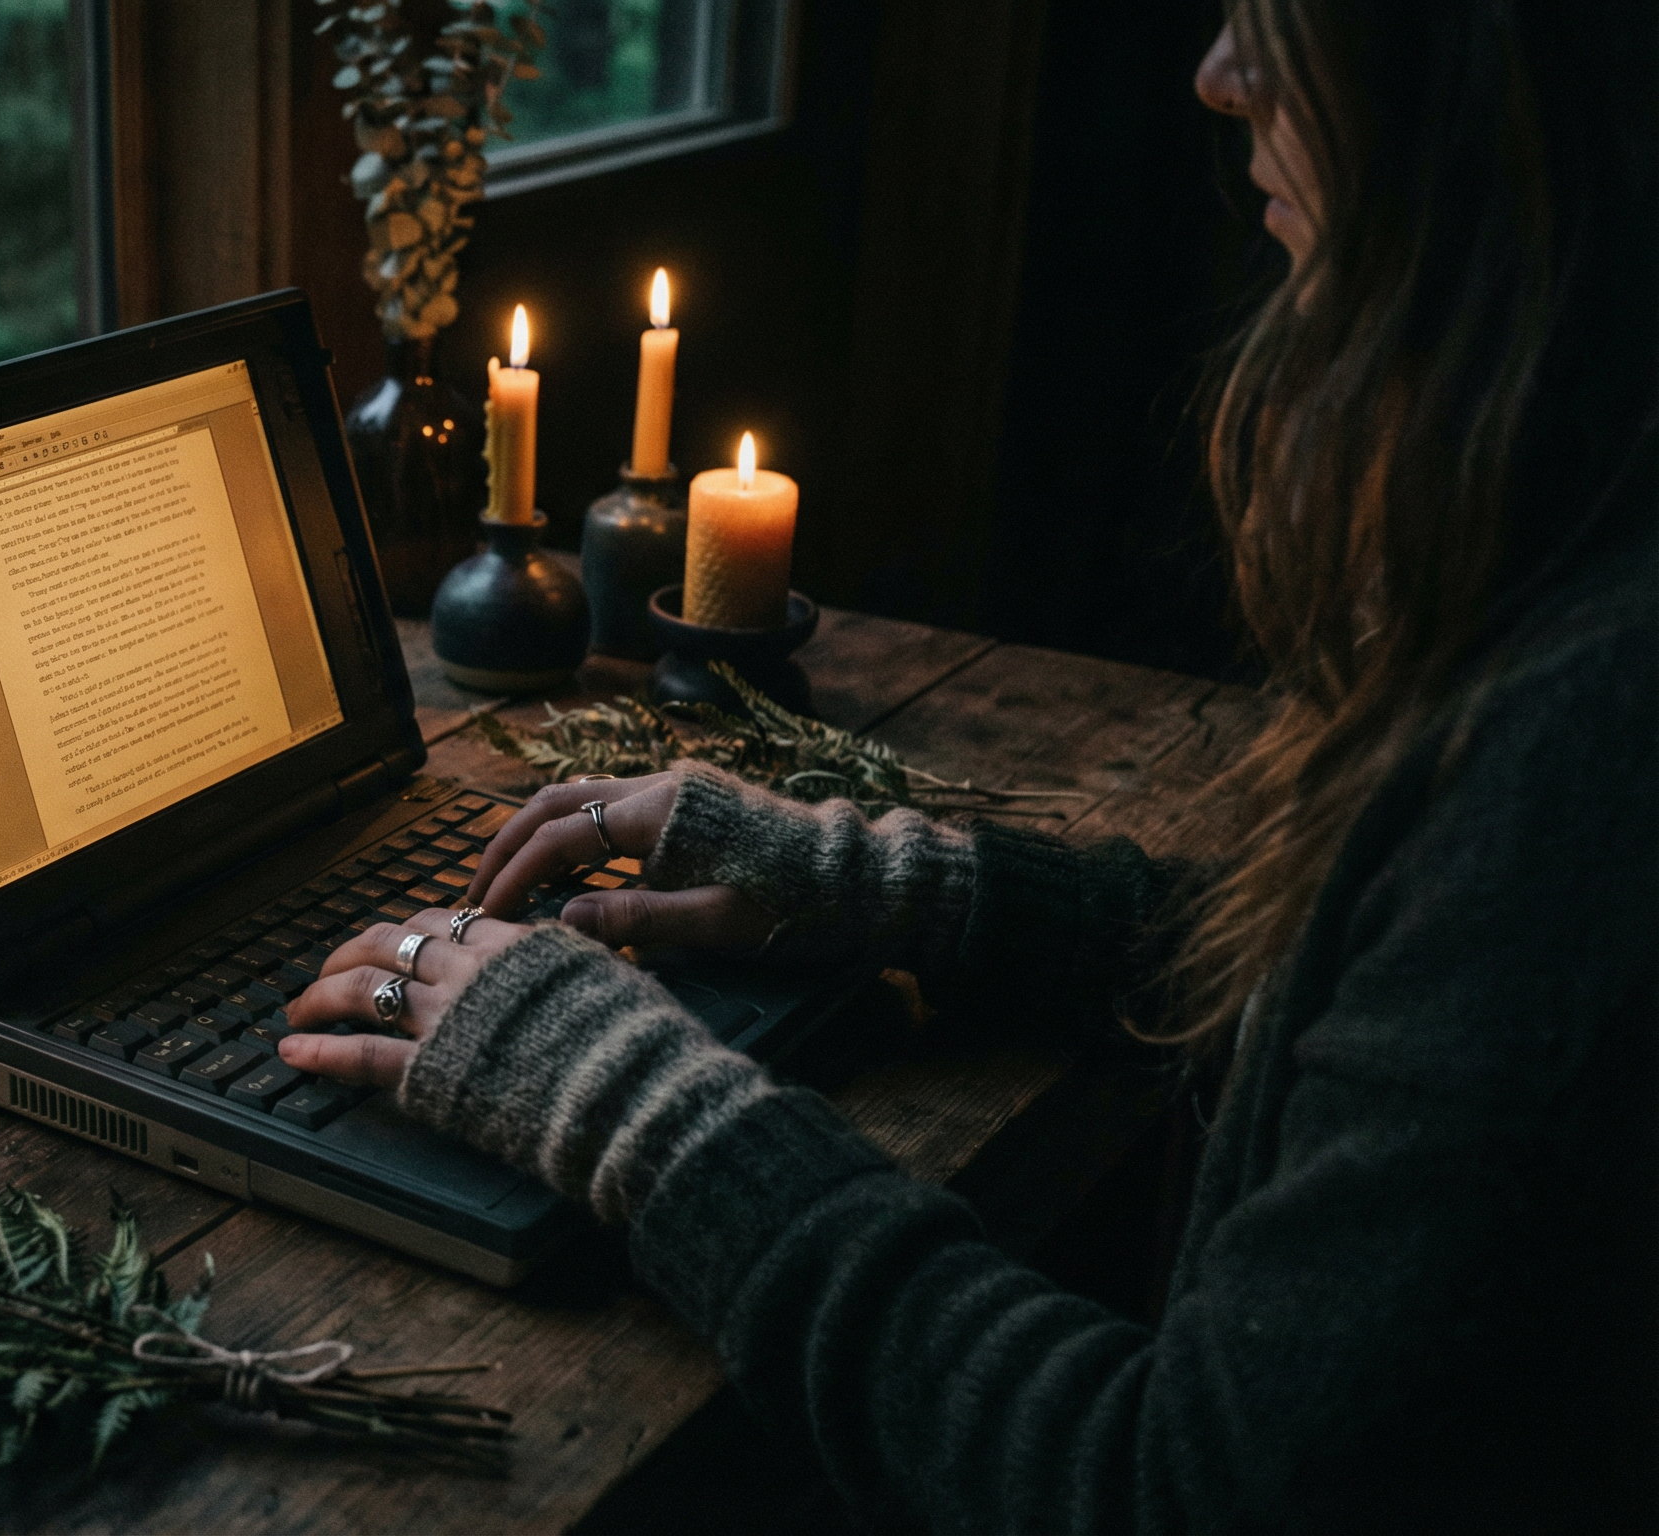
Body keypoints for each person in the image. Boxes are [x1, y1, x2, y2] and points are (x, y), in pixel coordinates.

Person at [281, 3, 1659, 1528]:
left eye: (1289, 20)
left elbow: (1162, 1489)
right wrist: (901, 885)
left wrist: (627, 1096)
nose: (1218, 74)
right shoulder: (1583, 581)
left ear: (1500, 89)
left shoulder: (1587, 755)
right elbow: (1376, 989)